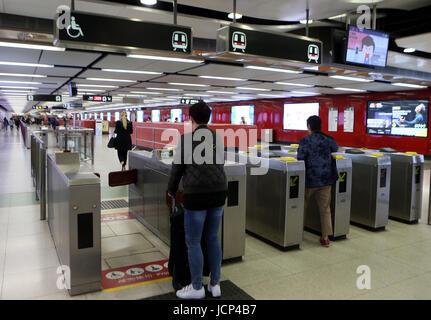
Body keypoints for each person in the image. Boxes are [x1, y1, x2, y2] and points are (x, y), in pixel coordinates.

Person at [168, 101, 227, 299]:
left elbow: (177, 168)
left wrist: (171, 190)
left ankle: (196, 287)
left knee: (193, 241)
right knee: (212, 237)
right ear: (208, 118)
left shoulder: (186, 140)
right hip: (219, 192)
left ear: (191, 118)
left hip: (196, 195)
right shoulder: (217, 138)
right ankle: (215, 285)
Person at [297, 115, 338, 247]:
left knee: (302, 207)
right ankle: (325, 237)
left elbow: (300, 157)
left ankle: (297, 234)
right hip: (326, 179)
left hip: (309, 179)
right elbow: (335, 148)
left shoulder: (305, 140)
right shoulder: (328, 139)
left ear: (308, 126)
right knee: (325, 209)